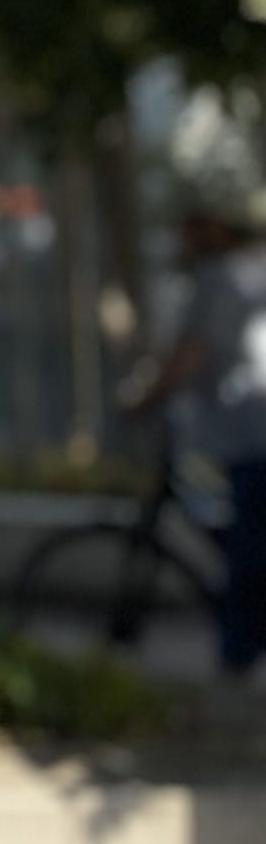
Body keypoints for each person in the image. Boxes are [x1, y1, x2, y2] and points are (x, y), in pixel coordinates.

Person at [145, 201, 266, 677]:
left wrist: (144, 401)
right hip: (246, 431)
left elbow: (190, 356)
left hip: (249, 434)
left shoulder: (221, 279)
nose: (184, 238)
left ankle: (237, 660)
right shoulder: (251, 271)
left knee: (247, 552)